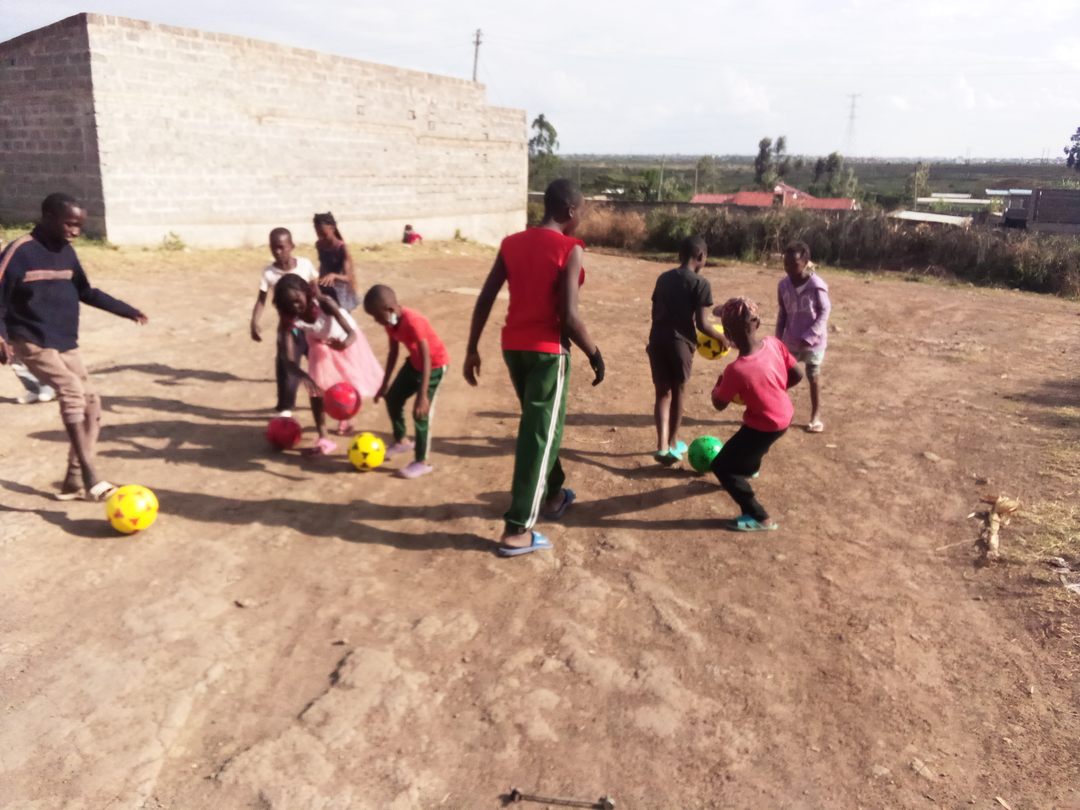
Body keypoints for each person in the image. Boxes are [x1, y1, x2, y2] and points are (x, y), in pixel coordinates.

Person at [464, 178, 605, 557]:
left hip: (514, 348)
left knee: (539, 425)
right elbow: (569, 317)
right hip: (548, 353)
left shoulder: (511, 243)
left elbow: (485, 297)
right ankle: (517, 530)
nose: (582, 217)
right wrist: (594, 353)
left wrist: (472, 348)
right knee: (539, 434)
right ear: (571, 211)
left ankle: (555, 493)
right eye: (582, 211)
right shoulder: (570, 248)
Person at [0, 192, 148, 501]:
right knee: (71, 390)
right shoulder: (20, 252)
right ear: (48, 218)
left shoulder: (66, 252)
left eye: (80, 225)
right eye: (70, 224)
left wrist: (126, 310)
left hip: (64, 341)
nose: (76, 231)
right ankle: (91, 476)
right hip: (30, 339)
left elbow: (86, 291)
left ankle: (73, 478)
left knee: (92, 402)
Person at [710, 297, 802, 532]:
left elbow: (719, 404)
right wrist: (774, 390)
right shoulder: (774, 344)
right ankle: (749, 468)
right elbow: (797, 374)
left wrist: (717, 387)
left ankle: (759, 516)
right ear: (757, 323)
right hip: (784, 414)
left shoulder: (736, 370)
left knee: (722, 466)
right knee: (752, 446)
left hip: (764, 424)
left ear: (727, 333)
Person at [272, 274, 382, 454]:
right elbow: (287, 358)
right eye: (289, 304)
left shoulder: (324, 303)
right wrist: (302, 375)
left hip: (344, 341)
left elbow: (351, 333)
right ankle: (323, 438)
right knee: (316, 389)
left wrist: (344, 344)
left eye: (298, 300)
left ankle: (344, 416)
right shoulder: (289, 319)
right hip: (319, 344)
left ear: (306, 292)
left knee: (346, 384)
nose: (296, 306)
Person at [647, 234, 728, 465]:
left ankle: (661, 446)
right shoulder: (700, 284)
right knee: (678, 391)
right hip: (680, 344)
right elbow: (702, 324)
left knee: (662, 393)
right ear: (701, 256)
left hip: (657, 339)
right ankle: (673, 444)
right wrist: (722, 338)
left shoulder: (663, 278)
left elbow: (655, 313)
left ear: (679, 255)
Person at [364, 284, 449, 479]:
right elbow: (393, 352)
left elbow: (427, 357)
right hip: (414, 363)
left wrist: (422, 395)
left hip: (434, 366)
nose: (376, 321)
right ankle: (401, 441)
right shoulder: (390, 323)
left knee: (420, 413)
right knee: (393, 398)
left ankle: (422, 461)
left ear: (389, 309)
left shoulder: (413, 321)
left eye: (376, 316)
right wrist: (384, 384)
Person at [249, 227, 318, 417]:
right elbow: (261, 299)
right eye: (274, 248)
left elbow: (316, 291)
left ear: (291, 246)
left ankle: (330, 398)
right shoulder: (269, 272)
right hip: (289, 329)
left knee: (321, 362)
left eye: (281, 247)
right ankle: (286, 409)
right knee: (287, 367)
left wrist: (325, 316)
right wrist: (254, 321)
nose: (278, 252)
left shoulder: (305, 265)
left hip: (311, 327)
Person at [776, 241, 830, 433]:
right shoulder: (783, 285)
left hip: (813, 343)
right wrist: (778, 339)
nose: (789, 268)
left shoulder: (816, 285)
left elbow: (824, 311)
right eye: (786, 263)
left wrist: (810, 335)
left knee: (813, 376)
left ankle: (815, 416)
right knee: (782, 376)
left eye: (794, 264)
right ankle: (777, 412)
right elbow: (783, 313)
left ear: (805, 263)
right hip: (790, 340)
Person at [313, 212, 359, 311]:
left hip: (341, 292)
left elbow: (348, 277)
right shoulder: (319, 245)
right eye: (318, 234)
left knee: (342, 316)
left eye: (323, 234)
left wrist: (333, 276)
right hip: (325, 288)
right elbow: (323, 265)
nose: (321, 237)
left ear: (333, 228)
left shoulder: (341, 248)